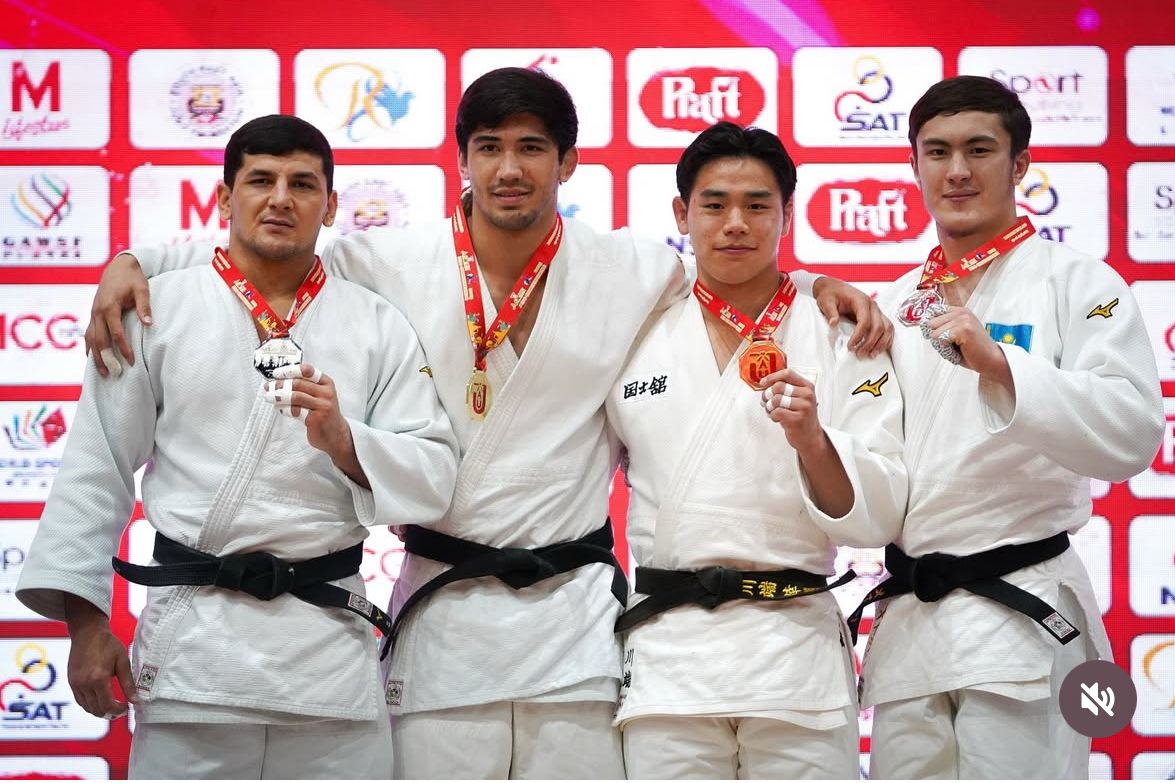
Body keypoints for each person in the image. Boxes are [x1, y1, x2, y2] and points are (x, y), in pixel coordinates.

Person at [83, 68, 892, 779]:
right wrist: (138, 262)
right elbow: (272, 252)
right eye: (490, 147)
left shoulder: (630, 268)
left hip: (573, 619)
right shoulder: (388, 260)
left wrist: (818, 284)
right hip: (444, 611)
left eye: (532, 147)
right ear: (461, 159)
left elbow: (732, 265)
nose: (509, 168)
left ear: (567, 162)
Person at [16, 115, 459, 780]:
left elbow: (433, 479)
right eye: (260, 180)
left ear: (330, 206)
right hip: (195, 658)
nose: (280, 198)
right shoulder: (154, 310)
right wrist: (85, 624)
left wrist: (346, 442)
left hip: (326, 658)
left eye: (302, 184)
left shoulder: (377, 324)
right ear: (225, 198)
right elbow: (95, 468)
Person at [852, 75, 1164, 779]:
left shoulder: (1077, 282)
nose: (957, 170)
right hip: (912, 622)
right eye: (937, 152)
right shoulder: (894, 303)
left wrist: (1001, 365)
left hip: (1023, 611)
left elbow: (1132, 432)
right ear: (913, 165)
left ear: (1019, 164)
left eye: (979, 149)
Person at [606, 121, 906, 779]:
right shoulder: (633, 322)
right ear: (681, 214)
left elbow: (875, 517)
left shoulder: (840, 330)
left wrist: (811, 441)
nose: (735, 224)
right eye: (714, 205)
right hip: (669, 655)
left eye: (757, 205)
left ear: (787, 214)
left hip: (793, 652)